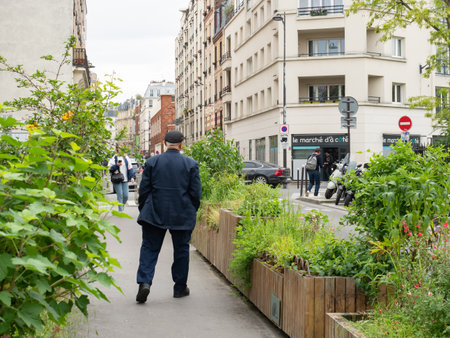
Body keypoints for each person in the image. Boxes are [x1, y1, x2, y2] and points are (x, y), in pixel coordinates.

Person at [135, 130, 202, 304]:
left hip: (155, 212)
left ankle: (144, 282)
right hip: (182, 213)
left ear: (164, 143)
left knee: (149, 248)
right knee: (181, 250)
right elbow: (196, 193)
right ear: (181, 144)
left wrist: (144, 209)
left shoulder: (152, 162)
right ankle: (180, 288)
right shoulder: (191, 164)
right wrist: (191, 209)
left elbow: (144, 190)